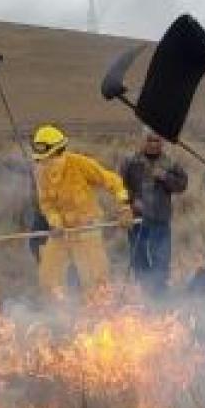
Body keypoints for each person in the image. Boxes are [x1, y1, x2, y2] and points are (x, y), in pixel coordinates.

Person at [32, 124, 133, 299]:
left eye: (47, 158)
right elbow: (46, 204)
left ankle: (98, 314)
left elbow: (113, 181)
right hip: (62, 232)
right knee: (48, 278)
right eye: (41, 159)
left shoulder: (80, 164)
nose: (44, 163)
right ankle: (57, 316)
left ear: (59, 152)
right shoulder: (40, 172)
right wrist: (55, 222)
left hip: (87, 230)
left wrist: (124, 206)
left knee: (95, 280)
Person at [119, 128, 188, 296]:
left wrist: (165, 177)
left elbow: (182, 185)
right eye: (149, 140)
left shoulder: (170, 163)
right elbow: (119, 186)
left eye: (157, 141)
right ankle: (146, 290)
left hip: (160, 219)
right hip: (137, 220)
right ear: (143, 141)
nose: (153, 144)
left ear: (162, 143)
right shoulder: (130, 161)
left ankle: (159, 293)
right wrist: (131, 201)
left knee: (161, 257)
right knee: (138, 257)